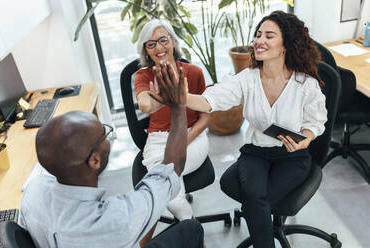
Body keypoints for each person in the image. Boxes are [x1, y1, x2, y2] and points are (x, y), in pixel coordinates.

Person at [150, 11, 327, 248]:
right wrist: (182, 97)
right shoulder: (248, 79)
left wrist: (305, 139)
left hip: (291, 156)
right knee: (256, 198)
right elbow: (212, 99)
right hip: (256, 152)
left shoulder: (305, 84)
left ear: (286, 44)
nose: (259, 40)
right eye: (258, 34)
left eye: (269, 36)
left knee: (256, 200)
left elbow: (315, 122)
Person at [18, 64, 204, 248]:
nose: (107, 137)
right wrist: (179, 106)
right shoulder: (115, 219)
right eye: (104, 134)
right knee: (191, 228)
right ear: (94, 160)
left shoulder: (33, 191)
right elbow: (173, 167)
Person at [134, 20, 209, 225]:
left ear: (173, 42)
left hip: (192, 135)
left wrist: (183, 141)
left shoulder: (193, 73)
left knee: (165, 184)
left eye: (163, 40)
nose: (159, 47)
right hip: (158, 140)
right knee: (170, 189)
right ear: (146, 51)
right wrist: (162, 98)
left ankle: (190, 230)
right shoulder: (143, 76)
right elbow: (144, 105)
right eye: (151, 44)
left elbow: (205, 118)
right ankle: (192, 227)